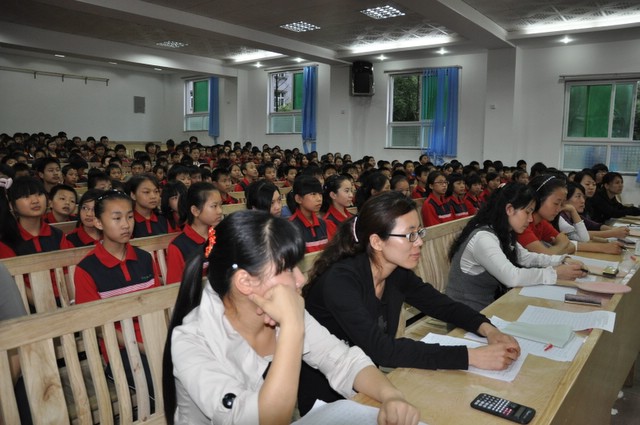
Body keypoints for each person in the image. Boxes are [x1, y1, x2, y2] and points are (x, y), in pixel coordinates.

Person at [162, 210, 420, 425]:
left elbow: (342, 360)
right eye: (287, 269)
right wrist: (292, 327)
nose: (300, 279)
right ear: (245, 282)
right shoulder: (192, 341)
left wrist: (391, 396)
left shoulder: (280, 309)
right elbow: (261, 419)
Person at [302, 191, 520, 412]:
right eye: (410, 235)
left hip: (371, 384)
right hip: (328, 397)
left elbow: (442, 305)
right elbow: (381, 349)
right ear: (377, 242)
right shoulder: (341, 281)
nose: (420, 242)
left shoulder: (395, 271)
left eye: (419, 232)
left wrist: (488, 330)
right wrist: (471, 356)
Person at [74, 189, 161, 407]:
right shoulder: (87, 269)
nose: (126, 224)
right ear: (98, 222)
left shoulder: (144, 258)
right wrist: (141, 346)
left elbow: (158, 305)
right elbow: (98, 326)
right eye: (117, 218)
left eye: (130, 217)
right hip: (120, 350)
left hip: (155, 337)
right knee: (160, 387)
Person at [446, 183, 585, 312]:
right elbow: (511, 277)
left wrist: (562, 260)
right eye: (528, 212)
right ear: (509, 209)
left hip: (488, 308)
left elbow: (526, 257)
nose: (530, 219)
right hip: (467, 315)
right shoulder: (483, 238)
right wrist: (555, 273)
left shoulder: (504, 232)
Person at [519, 175, 622, 255]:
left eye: (562, 204)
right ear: (538, 199)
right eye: (556, 203)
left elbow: (567, 242)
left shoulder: (542, 223)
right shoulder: (524, 225)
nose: (559, 209)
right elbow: (546, 254)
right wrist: (559, 248)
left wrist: (556, 248)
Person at [166, 182, 223, 285]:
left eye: (220, 205)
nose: (220, 211)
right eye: (214, 206)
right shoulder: (178, 247)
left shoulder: (221, 235)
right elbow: (174, 288)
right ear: (195, 211)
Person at [288, 175, 337, 253]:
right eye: (313, 194)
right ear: (298, 199)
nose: (319, 199)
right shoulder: (290, 228)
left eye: (320, 194)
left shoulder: (326, 224)